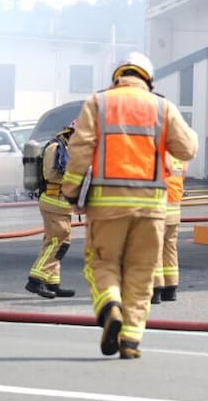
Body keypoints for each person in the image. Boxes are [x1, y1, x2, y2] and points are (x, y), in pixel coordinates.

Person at [61, 52, 198, 359]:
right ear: (149, 78)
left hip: (107, 205)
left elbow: (80, 150)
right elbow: (187, 149)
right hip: (151, 207)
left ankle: (110, 306)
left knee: (103, 263)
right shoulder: (163, 107)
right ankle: (131, 340)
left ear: (117, 76)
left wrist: (71, 191)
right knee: (142, 272)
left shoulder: (98, 103)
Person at [25, 119, 79, 299]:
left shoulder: (68, 147)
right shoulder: (55, 148)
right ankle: (35, 280)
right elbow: (52, 174)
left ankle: (52, 282)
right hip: (54, 202)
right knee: (57, 242)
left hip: (63, 204)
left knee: (60, 242)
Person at [151, 154, 186, 304]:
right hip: (174, 204)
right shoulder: (179, 155)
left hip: (157, 205)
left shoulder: (158, 150)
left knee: (153, 248)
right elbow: (182, 176)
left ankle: (155, 288)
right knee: (170, 247)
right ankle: (171, 287)